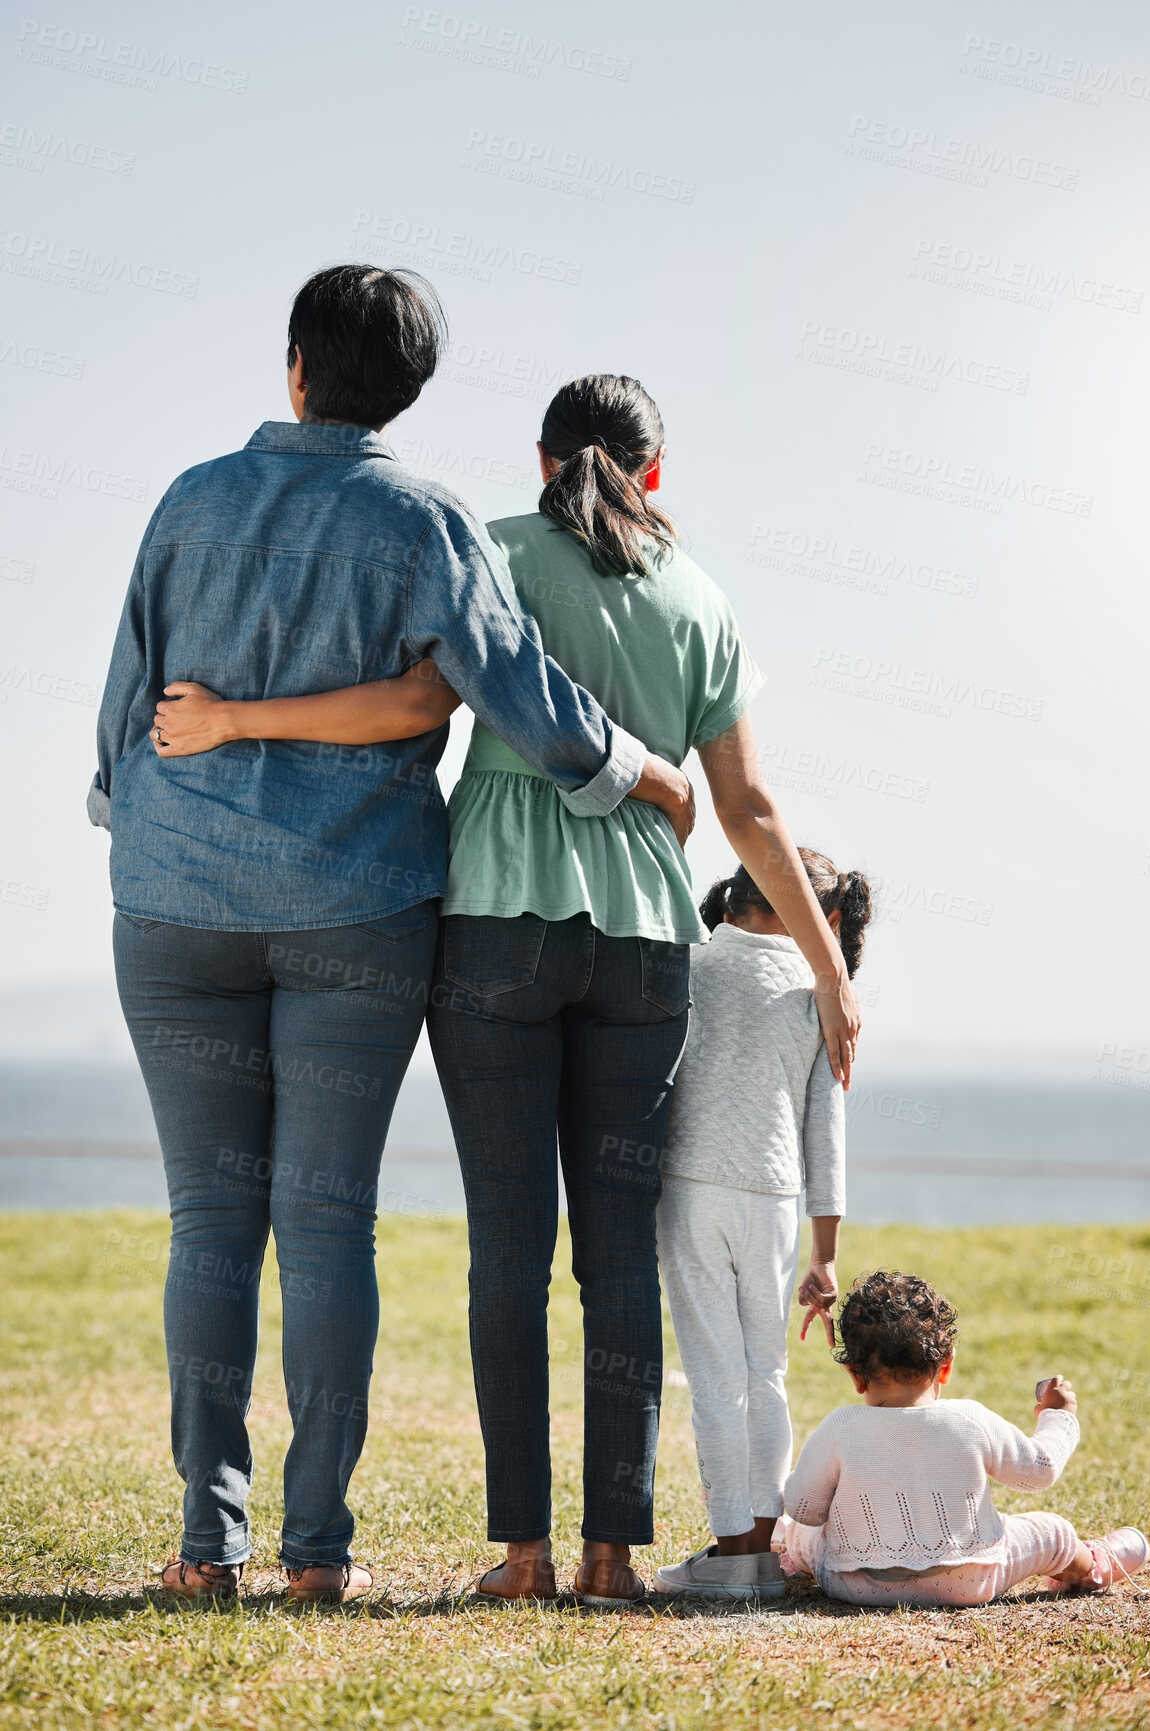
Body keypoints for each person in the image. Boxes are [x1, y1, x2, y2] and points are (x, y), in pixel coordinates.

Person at [153, 373, 862, 1605]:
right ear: (654, 471)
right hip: (644, 939)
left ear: (542, 460)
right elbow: (747, 810)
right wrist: (830, 969)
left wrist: (235, 728)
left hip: (493, 926)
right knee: (619, 1261)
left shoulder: (492, 552)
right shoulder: (701, 599)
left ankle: (524, 1556)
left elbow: (419, 704)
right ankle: (610, 1558)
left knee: (507, 1255)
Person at [89, 268, 693, 1605]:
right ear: (408, 388)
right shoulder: (423, 517)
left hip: (175, 900)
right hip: (358, 908)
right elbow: (522, 700)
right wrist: (637, 772)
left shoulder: (189, 499)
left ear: (294, 364)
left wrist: (138, 815)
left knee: (208, 1221)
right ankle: (313, 1555)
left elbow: (126, 701)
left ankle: (207, 1541)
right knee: (323, 1225)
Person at [652, 855, 872, 1601]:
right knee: (764, 1374)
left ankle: (730, 1554)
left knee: (715, 1377)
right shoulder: (824, 992)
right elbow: (825, 1132)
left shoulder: (686, 956)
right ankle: (763, 1551)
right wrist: (826, 1255)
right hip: (777, 1203)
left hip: (689, 1190)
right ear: (826, 918)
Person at [777, 1270, 1150, 1606]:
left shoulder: (841, 1426)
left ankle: (784, 1553)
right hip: (971, 1579)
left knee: (802, 1534)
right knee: (1050, 1532)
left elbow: (803, 1507)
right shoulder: (969, 1418)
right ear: (946, 1366)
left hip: (857, 1585)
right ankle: (1093, 1563)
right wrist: (1058, 1416)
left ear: (855, 1375)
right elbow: (1041, 1471)